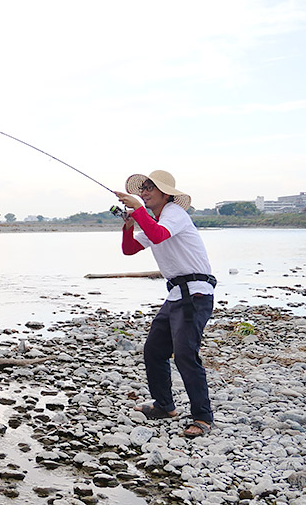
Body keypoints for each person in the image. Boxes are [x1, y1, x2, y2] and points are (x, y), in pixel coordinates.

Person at [114, 170, 216, 438]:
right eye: (143, 188)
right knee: (154, 351)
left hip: (196, 293)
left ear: (166, 193)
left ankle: (203, 417)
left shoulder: (174, 214)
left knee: (185, 354)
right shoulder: (154, 218)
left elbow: (158, 235)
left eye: (150, 188)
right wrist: (129, 224)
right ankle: (164, 406)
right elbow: (130, 249)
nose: (144, 192)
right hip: (175, 295)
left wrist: (138, 211)